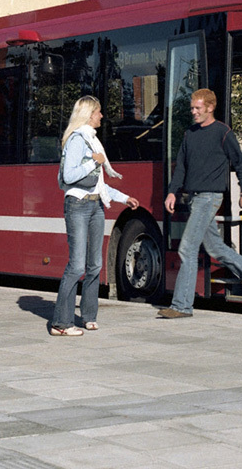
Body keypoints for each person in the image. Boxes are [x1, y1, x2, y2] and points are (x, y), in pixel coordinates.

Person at [158, 88, 242, 319]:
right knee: (216, 248)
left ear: (210, 107)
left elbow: (241, 164)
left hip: (209, 197)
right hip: (194, 198)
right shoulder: (190, 134)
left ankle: (181, 306)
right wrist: (172, 193)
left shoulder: (223, 133)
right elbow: (181, 167)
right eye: (192, 108)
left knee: (187, 248)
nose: (193, 112)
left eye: (197, 108)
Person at [51, 96, 139, 336]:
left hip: (96, 205)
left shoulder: (93, 140)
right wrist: (93, 163)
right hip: (78, 206)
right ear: (89, 114)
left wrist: (124, 198)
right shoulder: (77, 140)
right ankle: (61, 323)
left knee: (95, 265)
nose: (101, 116)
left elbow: (98, 184)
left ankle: (88, 316)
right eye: (98, 112)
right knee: (76, 265)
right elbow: (69, 176)